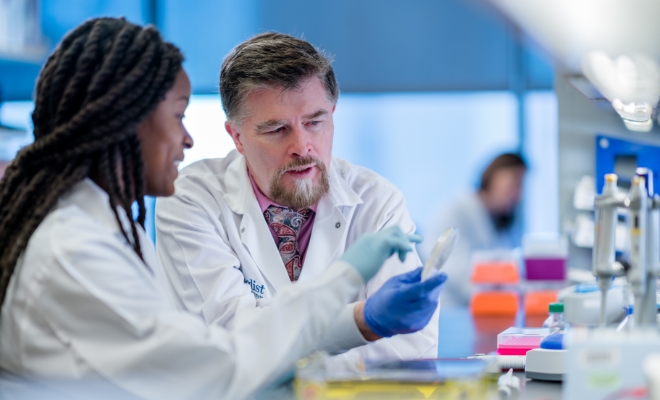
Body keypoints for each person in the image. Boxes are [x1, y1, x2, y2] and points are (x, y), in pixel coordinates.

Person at [0, 18, 446, 399]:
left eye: (315, 121)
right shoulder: (75, 250)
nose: (188, 139)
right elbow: (218, 363)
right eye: (179, 116)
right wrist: (355, 303)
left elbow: (410, 354)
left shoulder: (108, 229)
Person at [155, 33, 439, 365]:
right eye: (277, 129)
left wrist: (292, 356)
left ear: (332, 115)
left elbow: (410, 348)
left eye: (314, 122)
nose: (302, 147)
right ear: (237, 137)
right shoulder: (192, 199)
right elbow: (230, 344)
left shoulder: (378, 201)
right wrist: (362, 324)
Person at [422, 153, 526, 308]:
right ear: (492, 177)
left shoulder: (501, 220)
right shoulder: (456, 212)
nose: (518, 194)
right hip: (450, 308)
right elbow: (455, 272)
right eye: (515, 183)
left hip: (480, 308)